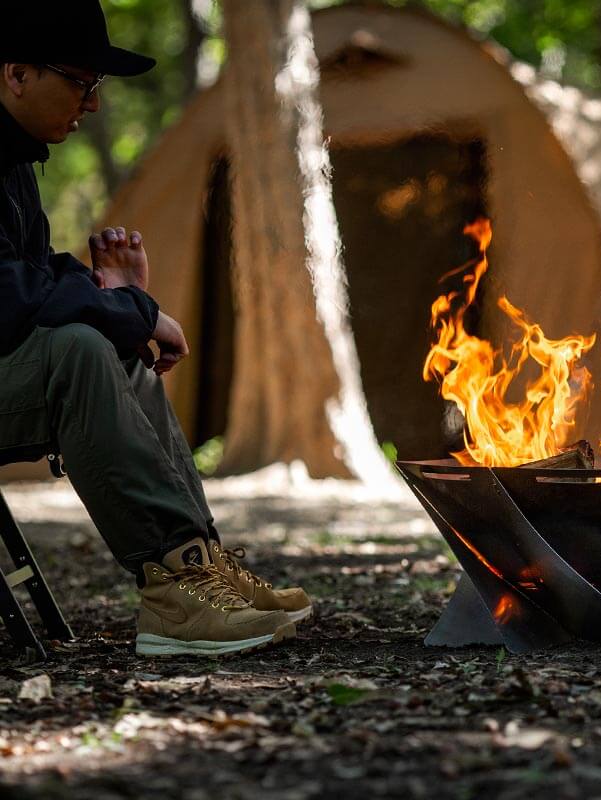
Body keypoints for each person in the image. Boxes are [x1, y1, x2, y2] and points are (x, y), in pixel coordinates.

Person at [0, 1, 311, 657]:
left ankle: (199, 564)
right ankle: (171, 593)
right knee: (80, 349)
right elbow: (6, 298)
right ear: (16, 75)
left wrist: (117, 301)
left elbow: (26, 272)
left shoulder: (12, 159)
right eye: (81, 83)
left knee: (105, 340)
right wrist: (130, 309)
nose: (92, 105)